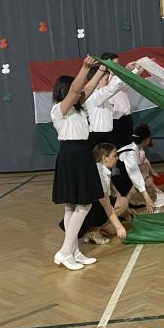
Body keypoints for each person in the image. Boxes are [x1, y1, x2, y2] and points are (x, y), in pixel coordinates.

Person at [51, 55, 106, 271]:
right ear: (63, 91)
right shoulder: (59, 109)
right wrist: (84, 67)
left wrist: (101, 70)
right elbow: (76, 90)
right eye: (72, 90)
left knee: (72, 205)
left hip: (82, 153)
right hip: (71, 154)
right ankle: (66, 251)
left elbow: (87, 89)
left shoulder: (79, 108)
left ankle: (73, 251)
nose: (79, 92)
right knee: (84, 204)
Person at [78, 143, 128, 244]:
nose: (117, 158)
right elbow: (106, 203)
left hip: (92, 209)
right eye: (114, 156)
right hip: (87, 212)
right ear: (104, 158)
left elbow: (111, 195)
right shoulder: (99, 173)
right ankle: (93, 231)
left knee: (111, 230)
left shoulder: (100, 168)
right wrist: (119, 226)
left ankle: (91, 230)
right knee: (123, 202)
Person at [85, 62, 142, 147]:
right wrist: (135, 70)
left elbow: (120, 84)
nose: (108, 82)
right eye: (106, 79)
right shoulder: (94, 95)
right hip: (98, 136)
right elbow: (113, 87)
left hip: (107, 134)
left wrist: (132, 70)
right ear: (97, 80)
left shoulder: (101, 94)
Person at [112, 124, 155, 214]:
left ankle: (126, 202)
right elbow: (135, 175)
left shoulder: (132, 148)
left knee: (144, 168)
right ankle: (125, 201)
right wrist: (146, 197)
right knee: (122, 207)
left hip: (117, 178)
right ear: (146, 140)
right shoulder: (131, 153)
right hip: (115, 181)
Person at [101, 52, 133, 148]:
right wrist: (126, 70)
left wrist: (137, 68)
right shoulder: (103, 80)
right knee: (115, 148)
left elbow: (129, 80)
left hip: (126, 118)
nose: (117, 67)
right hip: (114, 120)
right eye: (114, 64)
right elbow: (113, 86)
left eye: (117, 64)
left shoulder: (119, 77)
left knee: (128, 147)